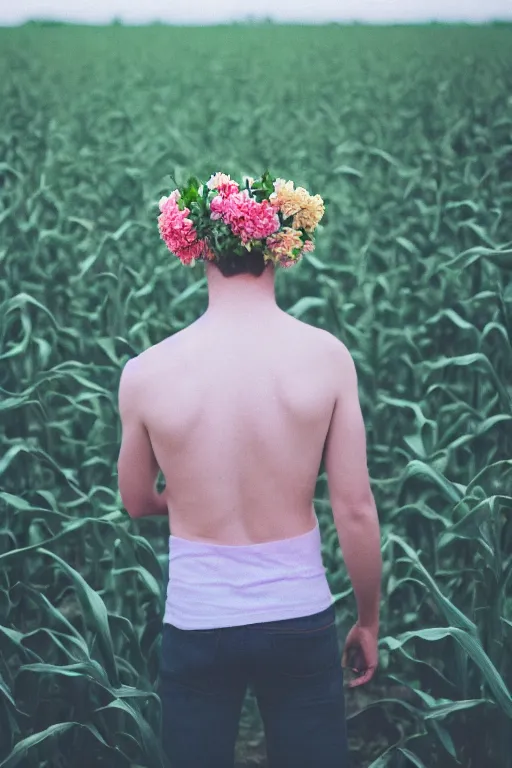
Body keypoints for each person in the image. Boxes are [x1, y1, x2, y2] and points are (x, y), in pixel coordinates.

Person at [116, 172, 382, 768]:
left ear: (198, 247)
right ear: (281, 247)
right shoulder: (325, 357)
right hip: (297, 616)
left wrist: (182, 499)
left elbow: (136, 501)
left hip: (198, 618)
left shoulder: (148, 372)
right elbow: (355, 508)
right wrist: (368, 619)